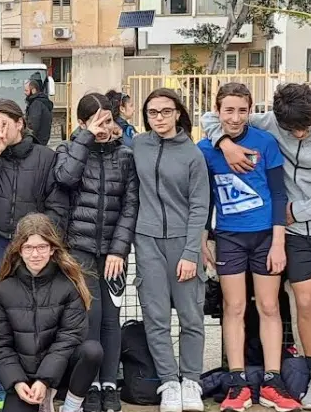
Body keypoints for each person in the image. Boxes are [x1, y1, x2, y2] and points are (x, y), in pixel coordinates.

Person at [202, 83, 311, 412]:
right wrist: (225, 144)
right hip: (293, 236)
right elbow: (211, 117)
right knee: (304, 302)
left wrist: (296, 212)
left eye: (306, 127)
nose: (299, 134)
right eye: (292, 130)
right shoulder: (270, 122)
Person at [197, 83, 302, 412]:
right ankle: (237, 381)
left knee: (270, 307)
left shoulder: (265, 142)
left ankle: (272, 379)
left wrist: (279, 241)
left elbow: (278, 194)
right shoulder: (205, 148)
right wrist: (204, 237)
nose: (235, 117)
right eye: (228, 110)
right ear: (217, 112)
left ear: (250, 110)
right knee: (234, 308)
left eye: (242, 110)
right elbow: (204, 199)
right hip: (229, 237)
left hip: (264, 239)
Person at [52, 93, 139, 412]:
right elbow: (65, 179)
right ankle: (87, 384)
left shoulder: (125, 155)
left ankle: (109, 384)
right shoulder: (69, 150)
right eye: (97, 120)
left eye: (108, 119)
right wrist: (86, 139)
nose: (105, 126)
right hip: (80, 249)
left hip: (114, 251)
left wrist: (119, 249)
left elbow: (131, 205)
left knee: (112, 319)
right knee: (90, 316)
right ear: (83, 122)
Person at [132, 88, 209, 412]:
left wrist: (192, 253)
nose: (159, 118)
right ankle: (169, 383)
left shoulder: (192, 154)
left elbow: (199, 206)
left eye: (166, 111)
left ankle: (191, 381)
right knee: (156, 318)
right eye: (153, 112)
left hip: (183, 243)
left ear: (178, 113)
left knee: (191, 318)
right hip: (147, 241)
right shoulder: (137, 145)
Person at [0, 213, 102, 412]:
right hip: (24, 376)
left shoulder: (68, 286)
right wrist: (16, 382)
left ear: (52, 250)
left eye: (42, 247)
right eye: (29, 248)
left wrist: (45, 380)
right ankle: (37, 398)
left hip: (59, 373)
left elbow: (69, 338)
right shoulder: (2, 291)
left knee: (92, 351)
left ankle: (71, 407)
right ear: (19, 251)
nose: (35, 254)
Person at [0, 99, 69, 286]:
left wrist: (43, 238)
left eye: (3, 125)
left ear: (19, 123)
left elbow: (57, 205)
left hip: (32, 239)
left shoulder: (45, 156)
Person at [24, 78, 54, 146]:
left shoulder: (36, 104)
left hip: (36, 142)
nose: (24, 93)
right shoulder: (42, 101)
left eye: (26, 90)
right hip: (42, 140)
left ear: (33, 90)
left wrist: (26, 140)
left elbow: (33, 126)